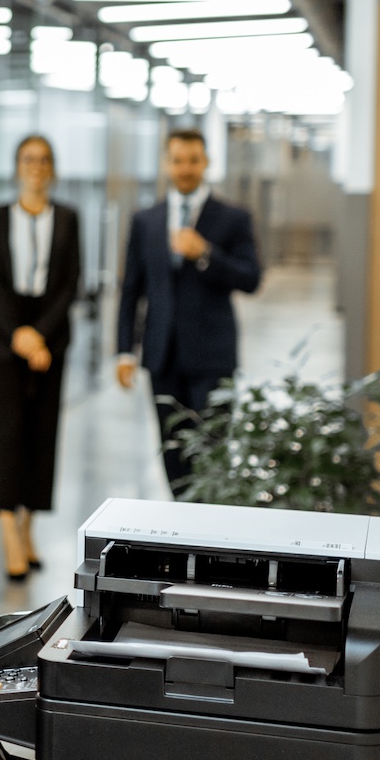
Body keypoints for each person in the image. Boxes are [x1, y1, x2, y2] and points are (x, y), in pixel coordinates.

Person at [116, 127, 263, 490]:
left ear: (206, 163)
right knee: (173, 453)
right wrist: (124, 351)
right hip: (163, 358)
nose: (185, 169)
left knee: (212, 453)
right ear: (167, 164)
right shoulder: (145, 221)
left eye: (193, 161)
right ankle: (180, 535)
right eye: (178, 160)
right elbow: (131, 289)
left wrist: (206, 255)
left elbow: (251, 278)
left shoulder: (232, 218)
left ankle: (208, 535)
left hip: (212, 358)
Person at [0, 134, 81, 579]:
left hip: (51, 332)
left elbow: (69, 284)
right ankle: (7, 531)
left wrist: (40, 335)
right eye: (28, 159)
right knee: (9, 431)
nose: (36, 167)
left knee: (44, 433)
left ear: (53, 168)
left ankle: (29, 527)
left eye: (44, 159)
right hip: (6, 333)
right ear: (17, 166)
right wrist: (20, 334)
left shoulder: (69, 218)